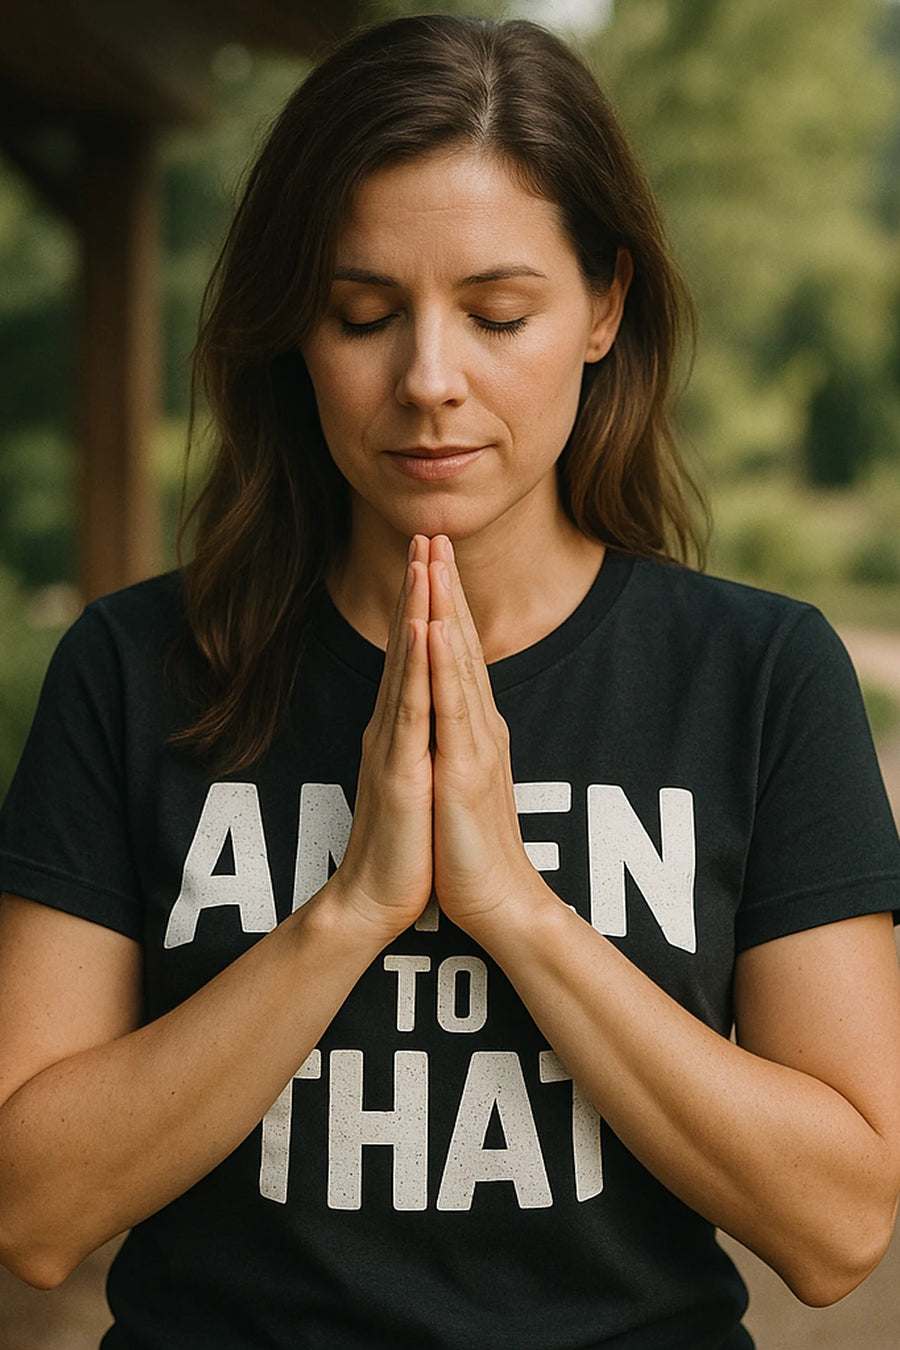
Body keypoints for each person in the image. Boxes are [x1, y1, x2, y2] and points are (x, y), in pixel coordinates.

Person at [1, 13, 899, 1349]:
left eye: (497, 315)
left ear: (603, 307)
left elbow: (838, 1227)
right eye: (363, 314)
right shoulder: (136, 669)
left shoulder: (757, 676)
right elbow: (33, 1210)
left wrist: (517, 910)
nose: (429, 379)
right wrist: (350, 910)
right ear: (293, 328)